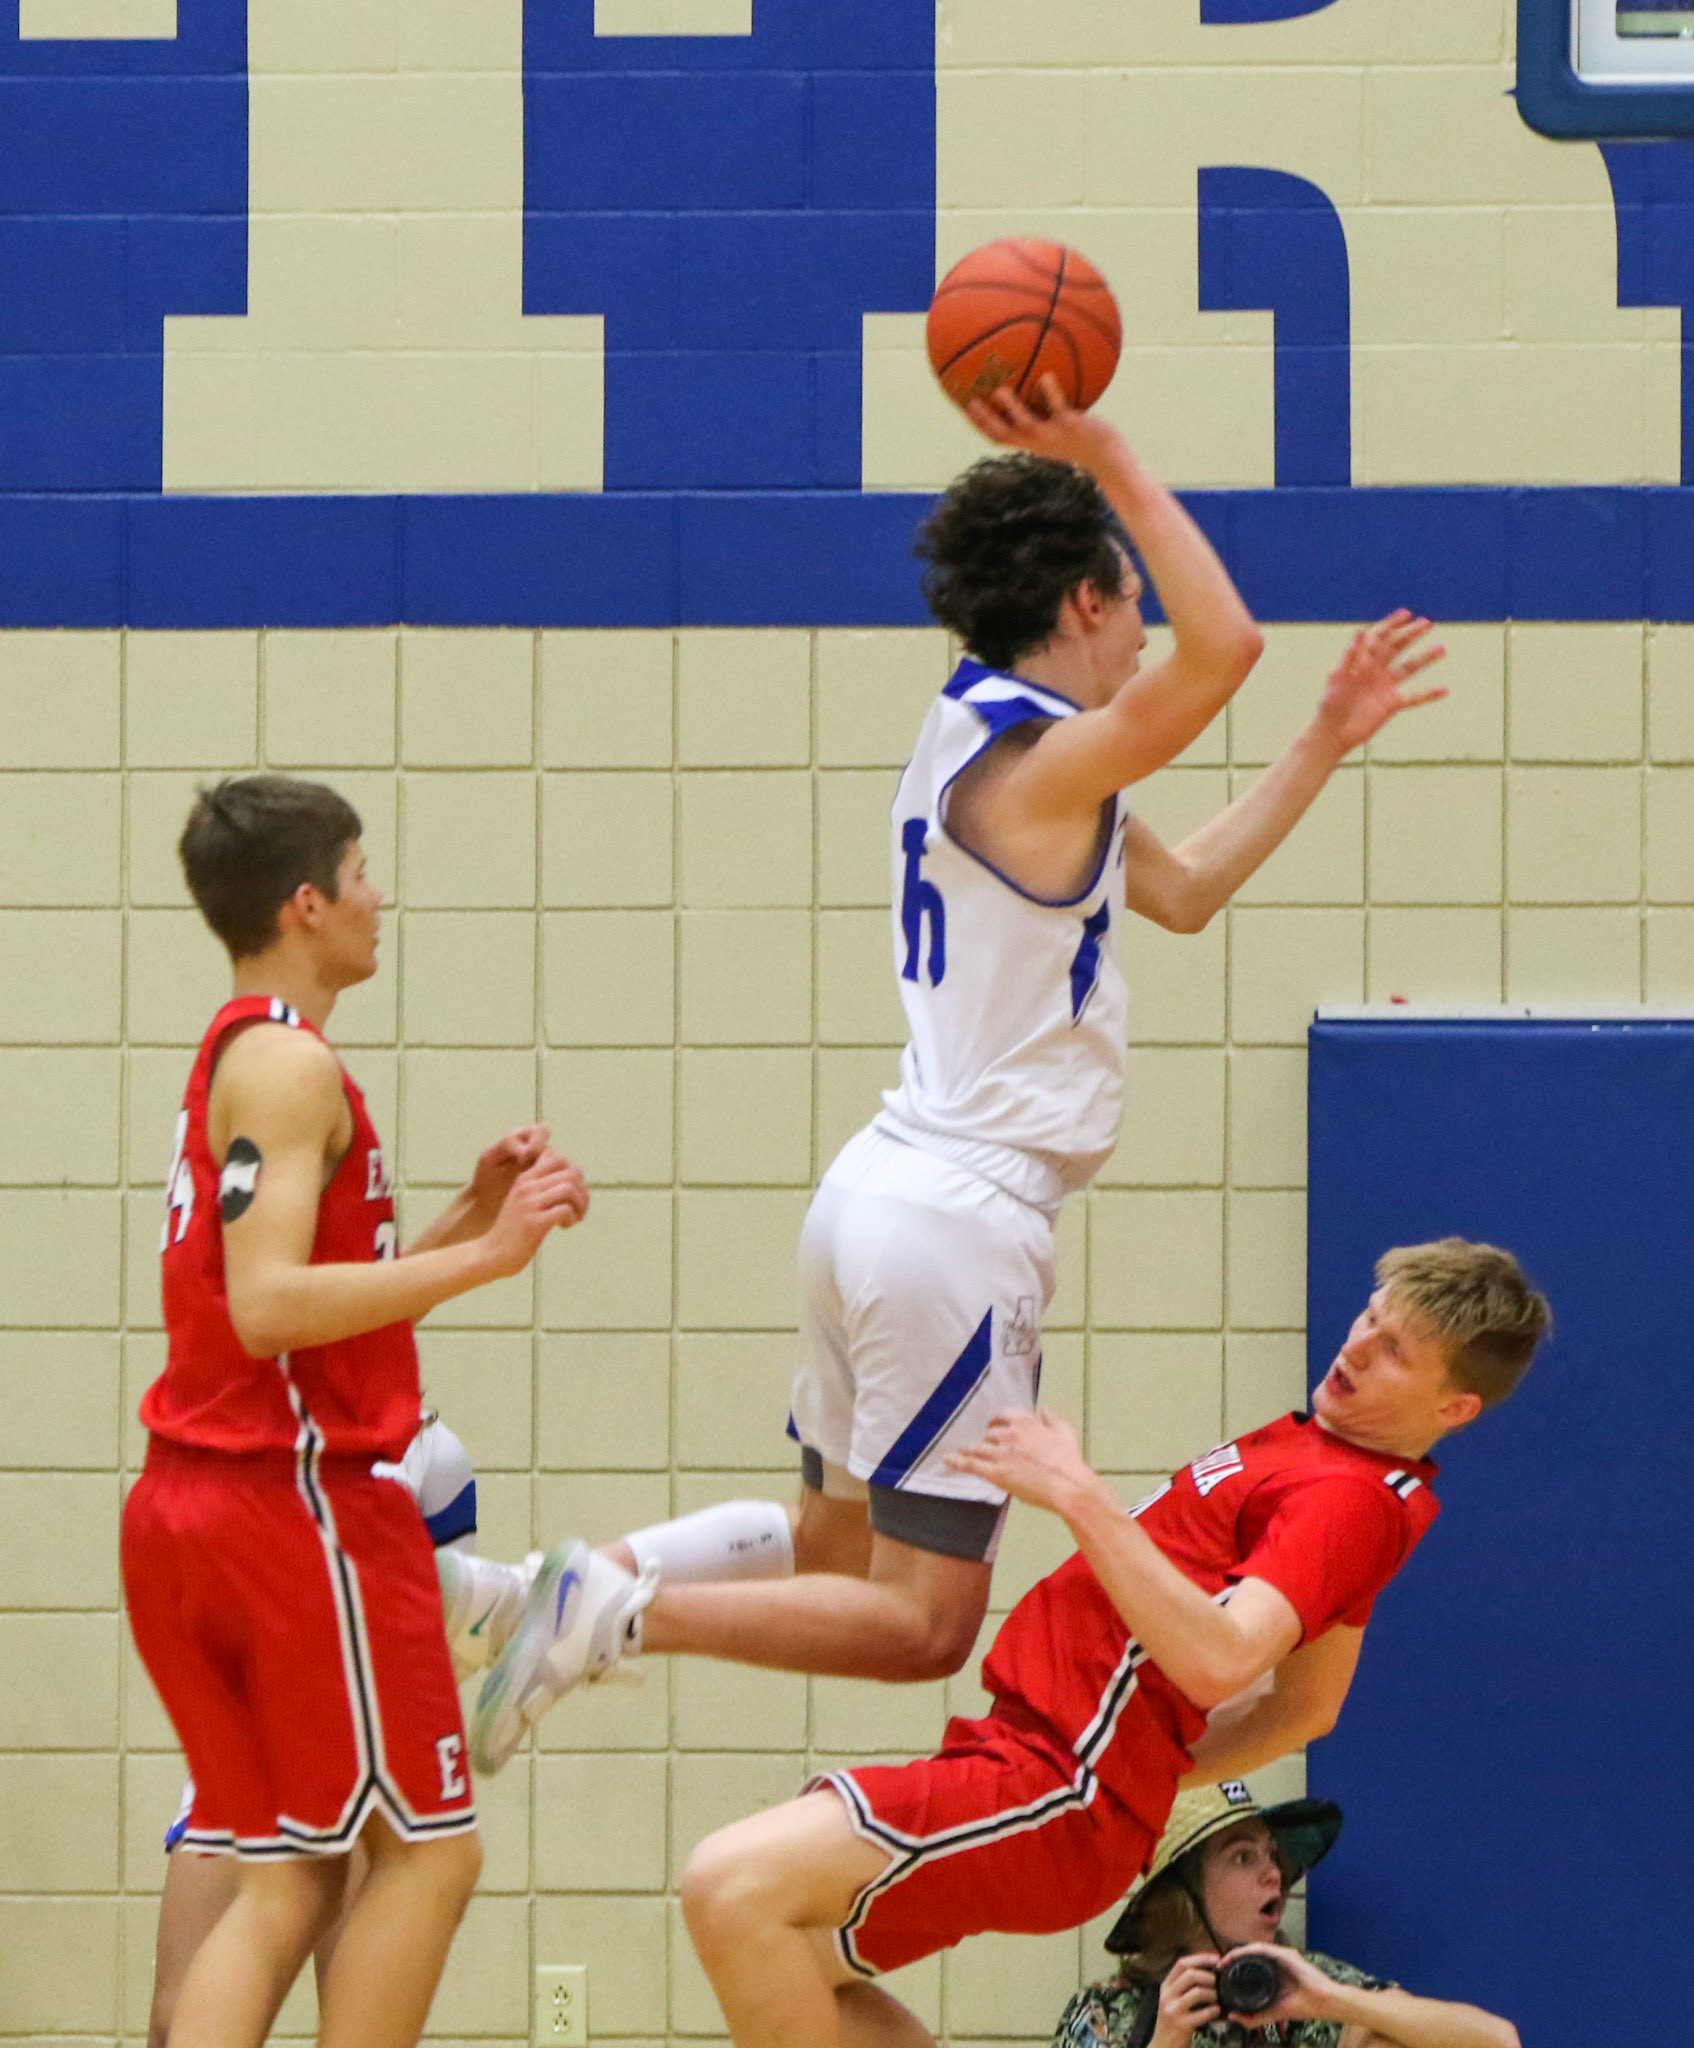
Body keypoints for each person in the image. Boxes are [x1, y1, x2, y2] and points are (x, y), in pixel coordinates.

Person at [460, 377, 1447, 1774]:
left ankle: (545, 1590)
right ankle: (602, 1615)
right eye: (1131, 599)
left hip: (875, 1191)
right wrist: (1102, 447)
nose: (1148, 630)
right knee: (923, 1625)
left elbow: (1186, 894)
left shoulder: (976, 737)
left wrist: (1324, 741)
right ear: (1089, 602)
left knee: (828, 1547)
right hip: (959, 1223)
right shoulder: (1037, 766)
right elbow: (1226, 646)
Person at [673, 1238, 1550, 2048]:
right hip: (1051, 1768)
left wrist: (1078, 1493)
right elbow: (1307, 1706)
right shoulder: (1334, 1467)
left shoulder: (1347, 1501)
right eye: (1370, 1317)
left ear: (1454, 1404)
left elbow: (1222, 1659)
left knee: (732, 1886)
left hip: (1060, 1784)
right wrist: (1149, 1772)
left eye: (1396, 1350)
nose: (1358, 1346)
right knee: (797, 1961)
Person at [119, 774, 589, 2048]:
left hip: (193, 1507)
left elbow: (287, 1308)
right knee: (428, 1856)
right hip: (290, 1518)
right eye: (364, 871)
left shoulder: (242, 1053)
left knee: (293, 1871)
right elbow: (272, 1305)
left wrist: (458, 1221)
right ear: (308, 900)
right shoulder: (287, 1064)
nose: (383, 896)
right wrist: (491, 1261)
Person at [145, 1412, 482, 2048]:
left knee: (355, 2019)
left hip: (362, 1762)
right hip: (243, 1752)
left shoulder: (432, 1454)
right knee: (171, 2018)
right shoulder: (248, 1423)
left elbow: (448, 1633)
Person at [1055, 1781, 1519, 2048]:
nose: (1273, 1873)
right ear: (1182, 1896)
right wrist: (1165, 2039)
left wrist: (1335, 2001)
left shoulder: (1303, 1990)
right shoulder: (1105, 2012)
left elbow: (1497, 2041)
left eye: (1272, 1855)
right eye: (1242, 1857)